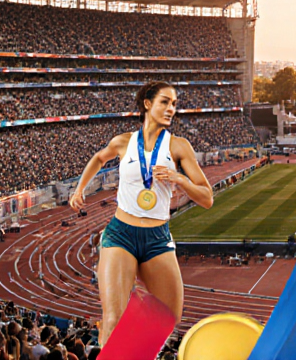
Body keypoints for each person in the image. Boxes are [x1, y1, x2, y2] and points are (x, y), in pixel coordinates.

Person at [69, 82, 214, 346]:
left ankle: (133, 349)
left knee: (170, 315)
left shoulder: (179, 147)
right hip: (120, 235)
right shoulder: (124, 142)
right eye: (165, 102)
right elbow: (99, 159)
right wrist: (80, 189)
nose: (171, 109)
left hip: (157, 238)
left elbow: (207, 198)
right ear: (147, 104)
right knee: (112, 319)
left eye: (174, 104)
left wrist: (178, 179)